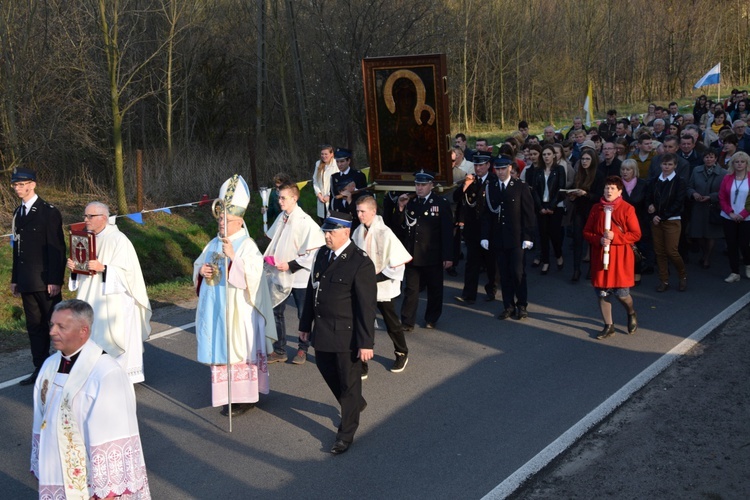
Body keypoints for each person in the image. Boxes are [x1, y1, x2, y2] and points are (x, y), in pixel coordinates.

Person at [31, 299, 150, 499]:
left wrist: (107, 491)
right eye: (52, 324)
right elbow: (40, 419)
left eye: (61, 327)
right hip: (57, 471)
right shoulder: (49, 365)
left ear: (83, 331)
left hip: (93, 484)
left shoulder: (106, 373)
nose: (52, 331)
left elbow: (115, 434)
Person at [194, 175, 277, 417]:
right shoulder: (213, 243)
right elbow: (199, 264)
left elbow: (253, 278)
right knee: (221, 347)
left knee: (239, 350)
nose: (221, 223)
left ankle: (246, 398)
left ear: (239, 222)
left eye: (226, 219)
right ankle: (228, 395)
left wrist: (234, 259)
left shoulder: (247, 245)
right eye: (220, 218)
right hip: (217, 309)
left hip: (240, 311)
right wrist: (201, 270)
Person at [298, 211, 376, 455]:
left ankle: (345, 434)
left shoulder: (360, 262)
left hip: (347, 335)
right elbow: (313, 291)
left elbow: (366, 306)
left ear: (345, 232)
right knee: (325, 368)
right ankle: (354, 404)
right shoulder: (322, 254)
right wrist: (304, 325)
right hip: (323, 330)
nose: (326, 235)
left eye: (331, 231)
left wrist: (366, 342)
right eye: (325, 231)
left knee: (349, 382)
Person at [65, 202, 152, 384]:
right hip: (91, 297)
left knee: (115, 337)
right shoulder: (86, 239)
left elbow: (129, 273)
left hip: (114, 300)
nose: (86, 220)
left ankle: (120, 378)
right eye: (85, 216)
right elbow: (83, 270)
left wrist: (104, 268)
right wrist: (74, 268)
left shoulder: (119, 240)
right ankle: (96, 374)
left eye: (90, 216)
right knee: (91, 333)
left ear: (103, 218)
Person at [10, 167, 66, 386]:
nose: (18, 188)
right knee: (34, 326)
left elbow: (57, 249)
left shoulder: (48, 212)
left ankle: (65, 365)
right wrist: (15, 278)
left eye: (22, 184)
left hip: (45, 281)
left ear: (33, 185)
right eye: (15, 185)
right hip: (26, 279)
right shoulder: (17, 213)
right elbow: (17, 249)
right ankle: (40, 368)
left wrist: (55, 280)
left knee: (57, 324)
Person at [264, 183, 325, 365]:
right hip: (279, 274)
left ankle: (302, 349)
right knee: (276, 311)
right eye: (279, 197)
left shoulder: (305, 221)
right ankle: (280, 350)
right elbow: (274, 241)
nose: (279, 201)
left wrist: (290, 265)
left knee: (302, 314)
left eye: (283, 197)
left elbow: (314, 252)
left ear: (294, 198)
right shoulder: (282, 217)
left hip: (299, 277)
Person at [352, 196, 412, 373]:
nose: (359, 215)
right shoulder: (358, 231)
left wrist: (375, 278)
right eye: (357, 211)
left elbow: (398, 261)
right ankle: (362, 361)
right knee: (363, 322)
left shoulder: (384, 232)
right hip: (363, 286)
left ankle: (402, 352)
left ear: (373, 211)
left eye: (362, 211)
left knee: (391, 321)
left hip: (381, 284)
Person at [583, 176, 641, 339]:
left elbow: (636, 234)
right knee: (602, 293)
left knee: (622, 294)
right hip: (601, 257)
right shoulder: (596, 209)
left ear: (620, 191)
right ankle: (609, 325)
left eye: (612, 188)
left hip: (620, 258)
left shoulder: (627, 209)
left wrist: (615, 237)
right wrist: (598, 239)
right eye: (607, 188)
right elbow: (587, 232)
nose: (609, 191)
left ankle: (631, 312)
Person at [395, 171, 454, 330]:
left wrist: (448, 256)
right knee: (411, 289)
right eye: (417, 185)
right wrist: (400, 208)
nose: (419, 188)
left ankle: (432, 318)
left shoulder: (441, 203)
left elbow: (447, 232)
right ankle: (407, 321)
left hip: (433, 253)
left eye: (423, 185)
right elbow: (401, 227)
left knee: (435, 289)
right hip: (413, 253)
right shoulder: (411, 202)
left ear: (431, 185)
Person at [481, 156, 536, 320]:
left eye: (503, 168)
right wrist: (485, 236)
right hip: (499, 238)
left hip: (517, 238)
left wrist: (528, 236)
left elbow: (528, 213)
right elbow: (487, 215)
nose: (500, 172)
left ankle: (522, 305)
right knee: (504, 274)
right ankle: (508, 306)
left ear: (510, 168)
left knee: (518, 273)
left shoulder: (520, 187)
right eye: (497, 169)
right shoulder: (491, 187)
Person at [454, 152, 496, 304]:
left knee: (491, 262)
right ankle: (468, 294)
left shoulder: (493, 180)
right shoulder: (470, 180)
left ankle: (491, 289)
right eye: (476, 165)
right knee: (472, 263)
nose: (478, 168)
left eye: (481, 165)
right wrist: (465, 185)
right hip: (473, 228)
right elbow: (456, 197)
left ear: (488, 166)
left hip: (489, 229)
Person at [646, 153, 688, 292]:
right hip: (656, 221)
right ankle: (664, 280)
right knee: (659, 252)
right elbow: (648, 198)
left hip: (672, 220)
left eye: (670, 164)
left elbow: (678, 203)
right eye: (664, 164)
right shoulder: (654, 181)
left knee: (671, 251)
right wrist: (652, 212)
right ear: (660, 164)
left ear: (675, 165)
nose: (666, 167)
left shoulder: (679, 181)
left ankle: (682, 276)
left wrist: (661, 216)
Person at [568, 148, 605, 282]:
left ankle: (592, 268)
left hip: (593, 211)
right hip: (579, 210)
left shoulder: (599, 175)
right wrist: (572, 195)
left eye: (587, 159)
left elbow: (600, 196)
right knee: (577, 239)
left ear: (593, 160)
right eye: (583, 159)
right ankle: (576, 269)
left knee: (593, 242)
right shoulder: (579, 173)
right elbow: (574, 188)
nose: (584, 161)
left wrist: (585, 194)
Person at [687, 149, 727, 269]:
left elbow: (724, 192)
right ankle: (704, 253)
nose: (708, 159)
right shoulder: (696, 170)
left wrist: (711, 197)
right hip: (698, 207)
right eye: (706, 157)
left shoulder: (723, 173)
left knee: (710, 235)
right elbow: (689, 186)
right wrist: (694, 194)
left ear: (715, 158)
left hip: (712, 207)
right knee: (698, 234)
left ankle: (707, 257)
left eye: (711, 157)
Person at [531, 145, 566, 274]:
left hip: (555, 207)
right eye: (544, 154)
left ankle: (558, 255)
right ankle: (545, 261)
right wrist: (540, 207)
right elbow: (534, 191)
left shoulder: (560, 169)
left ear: (554, 156)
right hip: (541, 206)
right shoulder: (538, 171)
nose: (546, 156)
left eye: (548, 154)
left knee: (554, 234)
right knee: (543, 235)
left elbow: (561, 189)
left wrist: (552, 206)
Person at [718, 151, 750, 283]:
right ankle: (734, 272)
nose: (739, 164)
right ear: (733, 163)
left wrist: (743, 214)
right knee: (731, 245)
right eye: (737, 161)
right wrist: (730, 212)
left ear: (747, 163)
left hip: (746, 218)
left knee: (744, 244)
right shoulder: (727, 177)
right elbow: (722, 197)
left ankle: (748, 264)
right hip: (729, 216)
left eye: (742, 162)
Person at [620, 159, 650, 284]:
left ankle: (637, 272)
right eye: (623, 169)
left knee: (636, 250)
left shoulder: (643, 184)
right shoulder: (617, 184)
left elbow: (647, 202)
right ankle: (623, 274)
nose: (625, 172)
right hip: (620, 223)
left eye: (628, 169)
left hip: (638, 221)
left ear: (634, 171)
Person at [329, 147, 367, 215]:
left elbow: (363, 196)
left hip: (353, 213)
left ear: (348, 161)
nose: (339, 164)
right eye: (337, 161)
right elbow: (333, 198)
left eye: (342, 161)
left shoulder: (358, 175)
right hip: (339, 213)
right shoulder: (334, 177)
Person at [312, 145, 337, 221]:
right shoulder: (318, 164)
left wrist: (329, 196)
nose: (324, 156)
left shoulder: (336, 164)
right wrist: (318, 194)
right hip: (321, 200)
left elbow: (338, 183)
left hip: (332, 200)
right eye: (322, 154)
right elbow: (315, 180)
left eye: (326, 154)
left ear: (331, 154)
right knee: (323, 223)